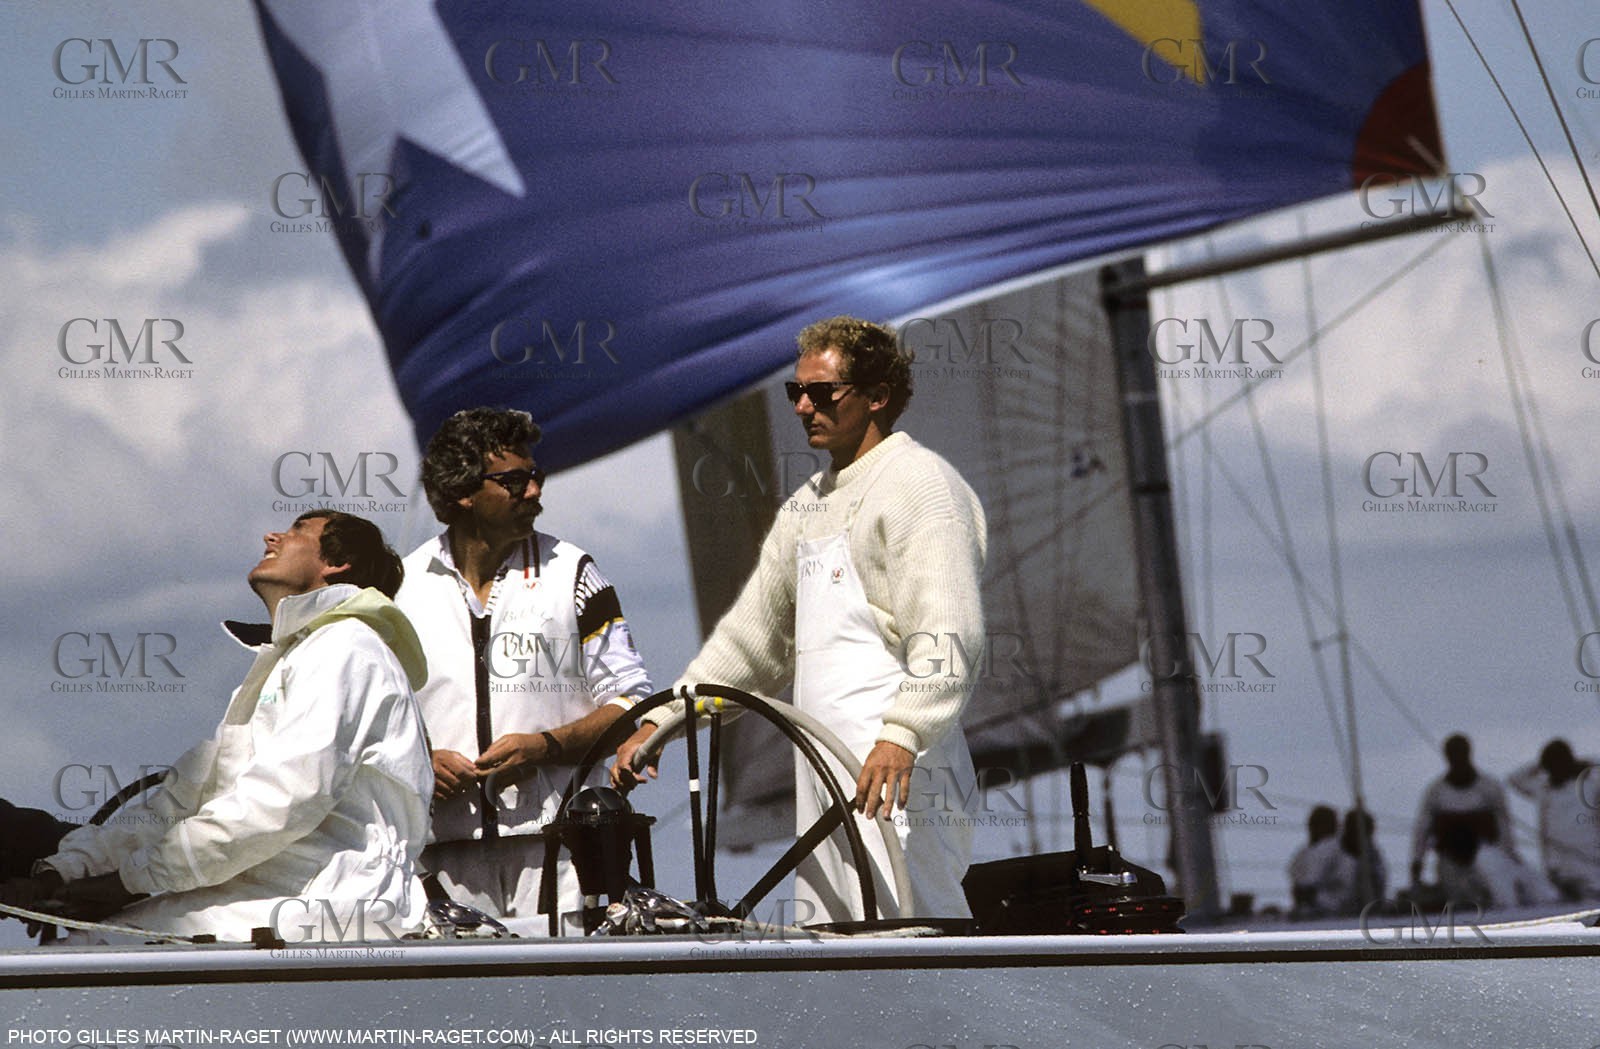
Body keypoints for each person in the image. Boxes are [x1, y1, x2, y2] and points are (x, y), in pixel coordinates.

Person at [612, 316, 988, 924]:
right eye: (796, 392)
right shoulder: (806, 507)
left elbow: (949, 637)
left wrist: (902, 735)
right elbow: (751, 644)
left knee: (920, 934)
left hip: (900, 774)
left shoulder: (922, 486)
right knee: (835, 949)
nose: (803, 406)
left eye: (822, 393)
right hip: (825, 773)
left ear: (877, 396)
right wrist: (664, 719)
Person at [0, 511, 432, 943]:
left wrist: (124, 884)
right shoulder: (287, 662)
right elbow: (179, 806)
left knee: (90, 947)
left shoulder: (347, 648)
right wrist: (61, 874)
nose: (272, 535)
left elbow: (281, 802)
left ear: (339, 563)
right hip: (266, 892)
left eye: (299, 529)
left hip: (334, 900)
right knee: (88, 942)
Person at [396, 407, 653, 932]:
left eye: (536, 476)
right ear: (464, 491)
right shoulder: (400, 587)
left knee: (573, 1009)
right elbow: (371, 720)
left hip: (560, 853)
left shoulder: (575, 572)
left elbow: (632, 705)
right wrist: (422, 759)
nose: (535, 491)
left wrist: (542, 748)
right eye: (514, 481)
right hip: (436, 858)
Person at [1409, 733, 1515, 889]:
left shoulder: (1489, 787)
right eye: (1453, 754)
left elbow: (1504, 824)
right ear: (1447, 756)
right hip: (1449, 861)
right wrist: (1417, 862)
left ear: (1468, 753)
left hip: (1486, 857)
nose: (1457, 758)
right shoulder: (1436, 792)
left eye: (1461, 753)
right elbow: (1422, 829)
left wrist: (1508, 855)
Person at [1508, 739, 1600, 901]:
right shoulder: (1542, 788)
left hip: (1587, 858)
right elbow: (1515, 779)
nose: (1557, 768)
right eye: (1552, 764)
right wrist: (1538, 765)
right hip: (1555, 862)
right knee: (1560, 905)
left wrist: (1587, 763)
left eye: (1561, 762)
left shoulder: (1589, 786)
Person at [1287, 804, 1341, 917]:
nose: (1313, 828)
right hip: (1307, 907)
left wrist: (1308, 894)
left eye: (1319, 823)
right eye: (1313, 824)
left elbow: (1311, 881)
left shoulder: (1334, 848)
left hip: (1331, 908)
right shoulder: (1305, 852)